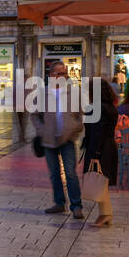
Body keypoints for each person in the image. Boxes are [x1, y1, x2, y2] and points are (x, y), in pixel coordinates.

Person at [34, 61, 85, 220]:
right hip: (49, 140)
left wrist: (75, 128)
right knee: (55, 174)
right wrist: (42, 131)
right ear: (51, 75)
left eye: (65, 74)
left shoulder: (73, 93)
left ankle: (76, 206)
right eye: (60, 73)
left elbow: (81, 116)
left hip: (67, 139)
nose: (63, 76)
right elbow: (34, 115)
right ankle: (59, 203)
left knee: (70, 173)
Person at [81, 79, 119, 228]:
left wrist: (95, 152)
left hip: (99, 148)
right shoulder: (111, 107)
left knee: (99, 179)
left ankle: (105, 214)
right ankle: (106, 213)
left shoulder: (97, 108)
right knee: (102, 180)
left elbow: (97, 132)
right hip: (108, 147)